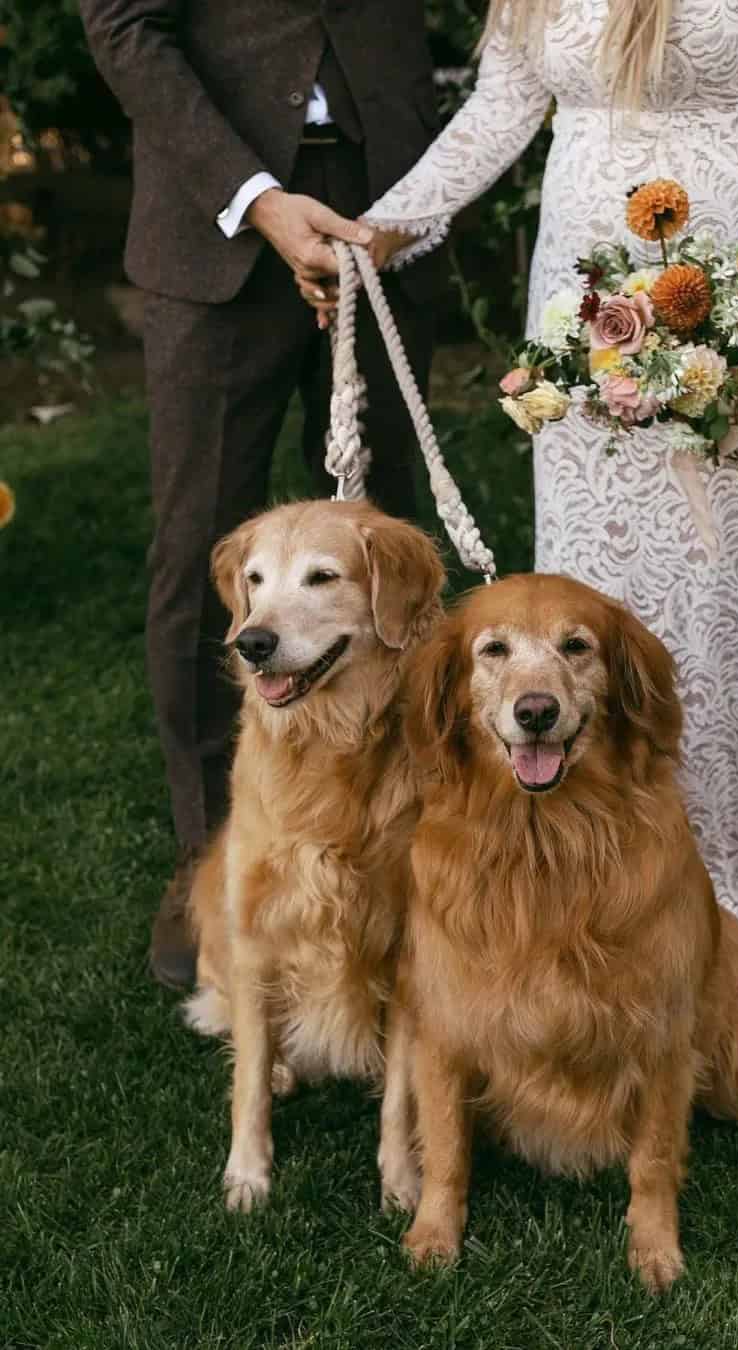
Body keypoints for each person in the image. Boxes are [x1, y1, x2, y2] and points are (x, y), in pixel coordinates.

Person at [304, 0, 738, 935]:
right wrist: (387, 224)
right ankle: (592, 856)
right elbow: (503, 103)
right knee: (580, 600)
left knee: (712, 592)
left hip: (733, 284)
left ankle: (712, 883)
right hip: (581, 302)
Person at [80, 0, 445, 987]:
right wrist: (256, 196)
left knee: (395, 564)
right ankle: (216, 855)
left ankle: (406, 846)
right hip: (219, 220)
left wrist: (433, 189)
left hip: (388, 203)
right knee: (205, 553)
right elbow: (123, 25)